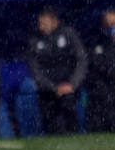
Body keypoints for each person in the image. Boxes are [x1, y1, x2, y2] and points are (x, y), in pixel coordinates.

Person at [27, 7, 87, 136]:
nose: (41, 27)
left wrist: (71, 84)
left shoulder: (69, 34)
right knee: (52, 128)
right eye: (40, 24)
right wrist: (53, 87)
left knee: (70, 125)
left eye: (45, 24)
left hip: (69, 91)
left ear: (55, 22)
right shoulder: (35, 40)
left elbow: (81, 60)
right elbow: (34, 69)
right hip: (47, 92)